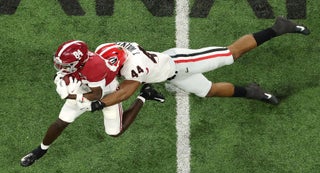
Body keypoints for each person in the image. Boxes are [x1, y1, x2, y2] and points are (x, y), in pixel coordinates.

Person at [82, 16, 310, 112]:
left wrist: (98, 104)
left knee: (230, 54)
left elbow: (123, 94)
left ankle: (278, 27)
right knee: (207, 91)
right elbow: (101, 65)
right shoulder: (106, 49)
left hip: (181, 62)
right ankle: (252, 92)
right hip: (172, 74)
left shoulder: (134, 68)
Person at [20, 40, 164, 167]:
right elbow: (65, 73)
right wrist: (59, 80)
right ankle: (40, 150)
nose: (60, 66)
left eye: (66, 64)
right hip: (86, 86)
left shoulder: (95, 66)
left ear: (80, 61)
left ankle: (145, 95)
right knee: (61, 121)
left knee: (115, 132)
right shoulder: (79, 62)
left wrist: (69, 94)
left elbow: (97, 95)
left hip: (106, 90)